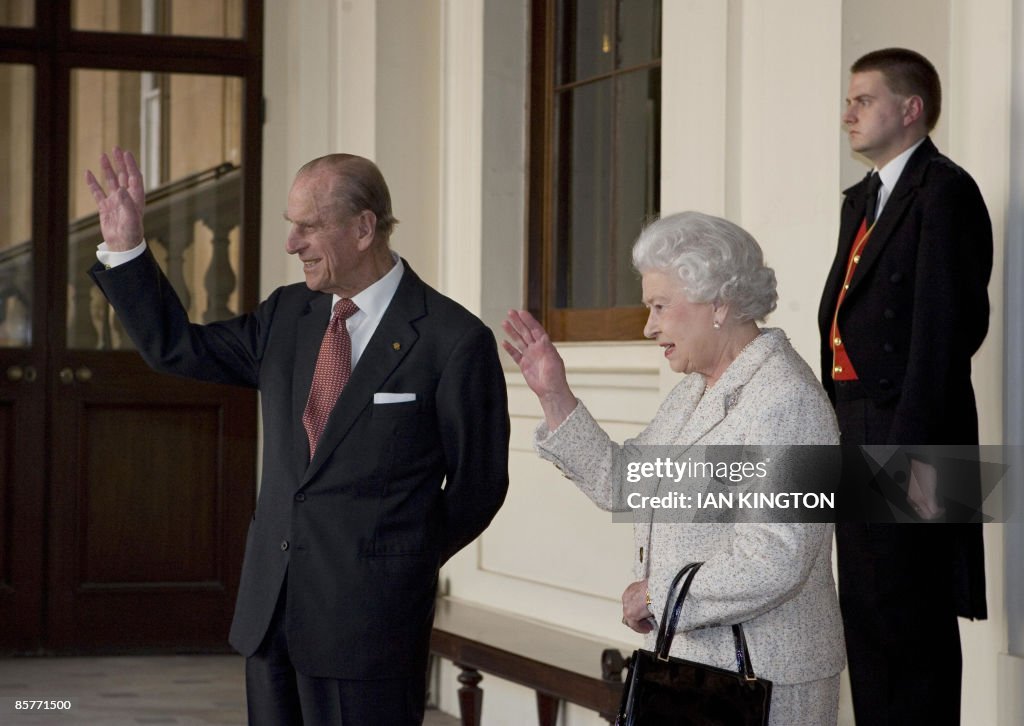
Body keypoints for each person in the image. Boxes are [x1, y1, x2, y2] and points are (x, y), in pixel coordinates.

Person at [85, 148, 510, 725]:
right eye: (292, 226)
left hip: (370, 625)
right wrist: (128, 250)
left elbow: (477, 487)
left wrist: (394, 564)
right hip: (271, 613)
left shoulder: (453, 339)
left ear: (363, 228)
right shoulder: (288, 314)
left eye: (307, 227)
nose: (292, 243)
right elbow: (176, 348)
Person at [504, 211, 846, 725]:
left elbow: (775, 559)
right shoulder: (694, 392)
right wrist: (555, 396)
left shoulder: (787, 400)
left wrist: (658, 594)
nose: (649, 326)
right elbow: (624, 484)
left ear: (719, 303)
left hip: (766, 682)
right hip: (701, 670)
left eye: (660, 306)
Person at [818, 48, 991, 724]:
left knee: (911, 620)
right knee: (865, 614)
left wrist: (906, 457)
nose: (847, 114)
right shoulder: (864, 199)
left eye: (863, 99)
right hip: (856, 422)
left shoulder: (945, 191)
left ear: (910, 109)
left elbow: (947, 336)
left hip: (919, 426)